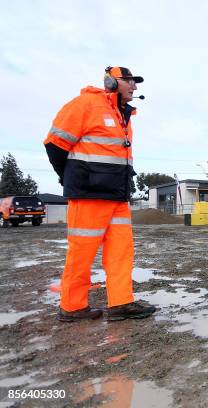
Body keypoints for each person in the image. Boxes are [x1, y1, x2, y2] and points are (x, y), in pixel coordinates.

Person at [44, 66, 156, 322]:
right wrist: (71, 177)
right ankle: (72, 308)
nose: (134, 86)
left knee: (121, 252)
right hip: (89, 195)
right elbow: (55, 144)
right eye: (129, 81)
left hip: (117, 196)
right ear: (111, 82)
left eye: (135, 82)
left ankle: (121, 303)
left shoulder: (122, 115)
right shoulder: (86, 104)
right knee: (81, 252)